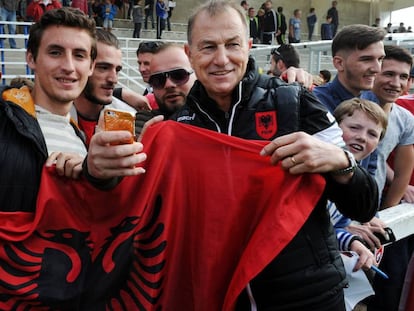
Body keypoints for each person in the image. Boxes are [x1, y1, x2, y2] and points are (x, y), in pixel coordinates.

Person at [171, 1, 378, 309]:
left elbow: (364, 204)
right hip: (221, 294)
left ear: (249, 46)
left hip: (306, 297)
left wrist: (341, 162)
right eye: (208, 47)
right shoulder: (179, 126)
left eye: (232, 45)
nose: (221, 59)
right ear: (189, 54)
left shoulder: (294, 100)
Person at [0, 6, 96, 223]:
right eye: (55, 52)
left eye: (79, 55)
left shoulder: (82, 140)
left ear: (91, 66)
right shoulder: (4, 116)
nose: (69, 66)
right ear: (31, 59)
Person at [362, 45, 414, 311]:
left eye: (403, 77)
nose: (396, 83)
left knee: (387, 288)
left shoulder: (405, 118)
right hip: (339, 217)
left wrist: (387, 213)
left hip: (376, 213)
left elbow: (404, 167)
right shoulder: (352, 106)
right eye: (389, 74)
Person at [331, 97, 388, 272]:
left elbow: (334, 226)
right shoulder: (317, 171)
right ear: (334, 128)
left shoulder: (358, 177)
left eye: (372, 134)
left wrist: (353, 241)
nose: (362, 137)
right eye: (354, 127)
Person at [72, 28, 137, 146]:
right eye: (103, 68)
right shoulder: (51, 115)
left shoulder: (127, 118)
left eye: (117, 70)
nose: (114, 79)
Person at [313, 24, 386, 115]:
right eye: (366, 59)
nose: (377, 69)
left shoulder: (372, 99)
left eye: (380, 59)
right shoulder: (315, 103)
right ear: (339, 63)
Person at [135, 42, 196, 134]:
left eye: (178, 75)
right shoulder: (144, 124)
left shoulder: (222, 119)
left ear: (197, 75)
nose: (168, 84)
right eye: (158, 79)